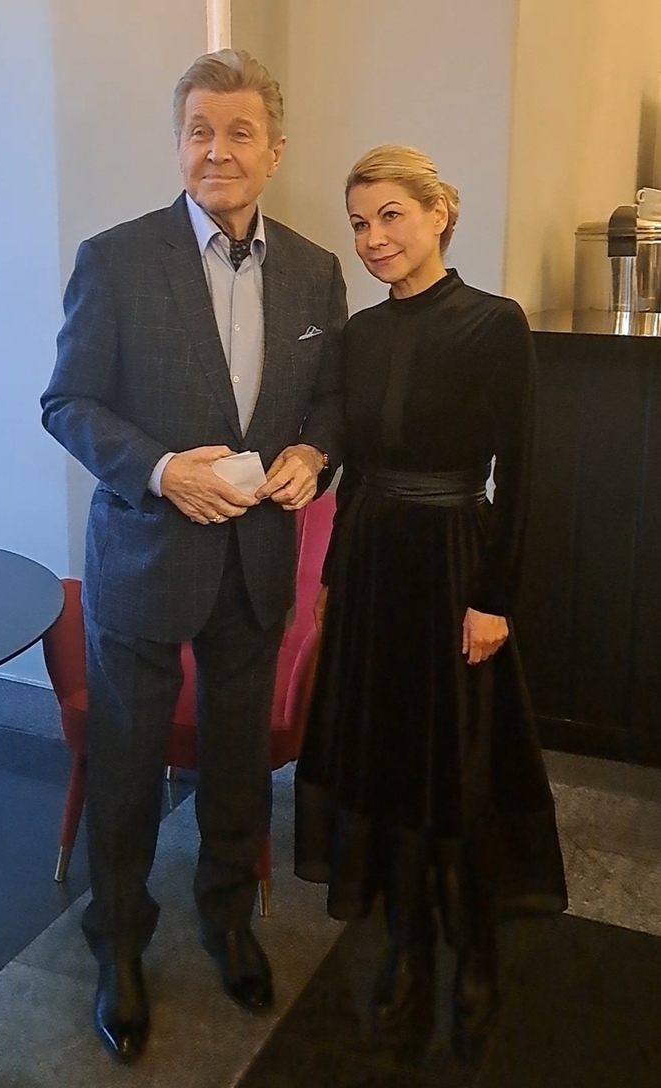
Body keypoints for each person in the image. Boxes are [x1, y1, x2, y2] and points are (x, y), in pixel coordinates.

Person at [41, 49, 346, 1063]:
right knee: (126, 770)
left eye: (238, 132)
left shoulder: (316, 270)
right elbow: (68, 403)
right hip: (144, 560)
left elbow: (330, 403)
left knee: (235, 765)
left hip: (255, 563)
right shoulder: (115, 259)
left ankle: (227, 919)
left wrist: (314, 451)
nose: (217, 150)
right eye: (199, 131)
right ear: (178, 144)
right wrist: (163, 467)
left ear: (274, 151)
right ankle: (119, 943)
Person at [294, 145, 567, 1063]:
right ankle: (407, 947)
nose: (373, 238)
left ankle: (476, 953)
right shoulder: (360, 334)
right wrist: (332, 578)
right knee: (385, 761)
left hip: (453, 565)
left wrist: (494, 600)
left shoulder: (495, 323)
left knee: (457, 766)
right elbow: (355, 473)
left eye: (390, 216)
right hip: (372, 566)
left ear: (438, 213)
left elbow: (519, 474)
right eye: (359, 223)